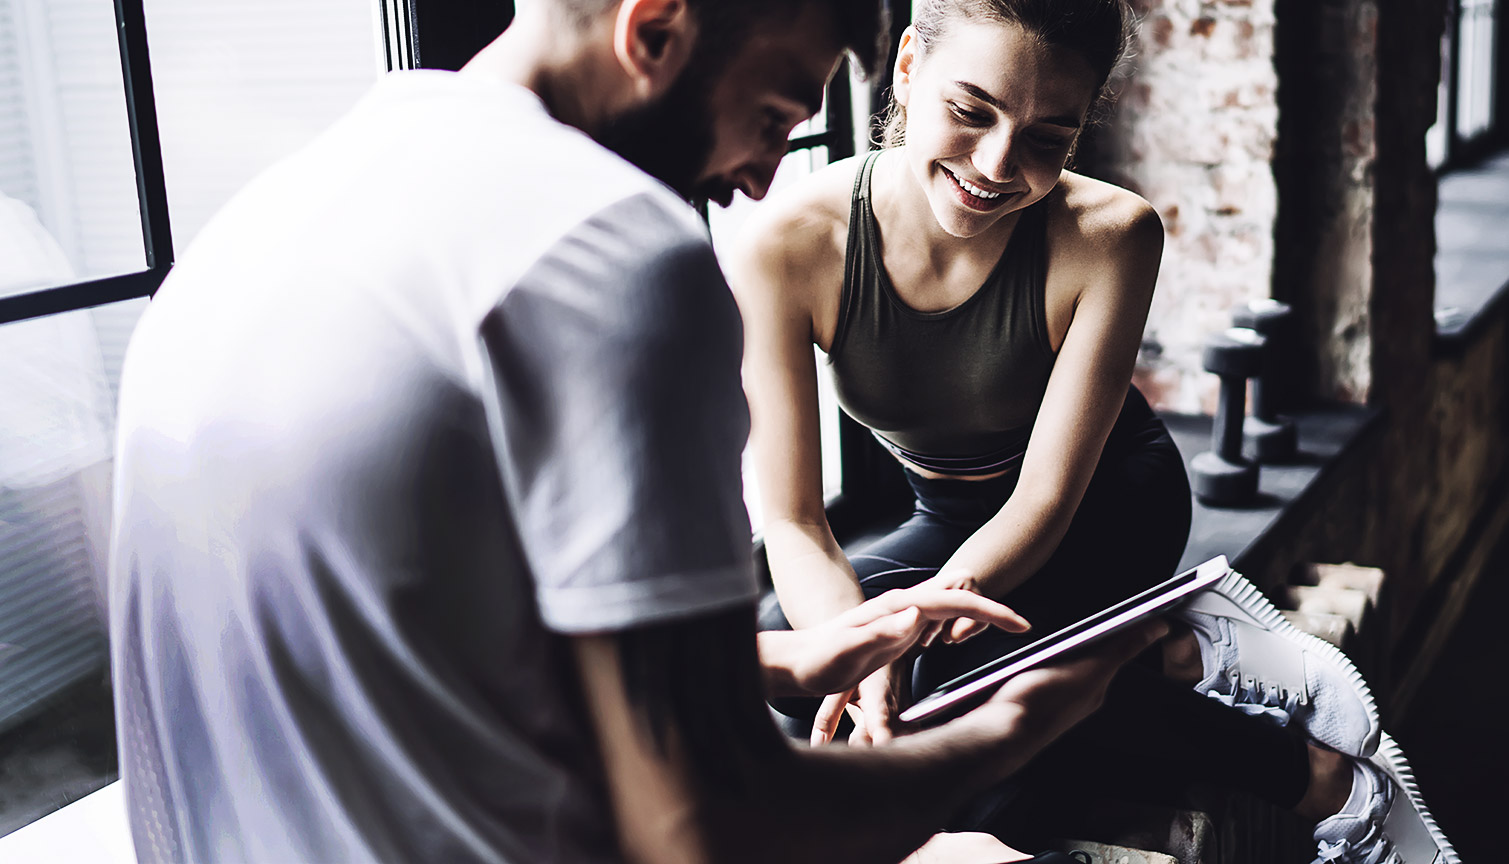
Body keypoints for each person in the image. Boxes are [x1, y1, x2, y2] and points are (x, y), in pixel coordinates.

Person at [106, 1, 1168, 862]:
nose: (761, 178)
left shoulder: (265, 217)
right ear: (654, 31)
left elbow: (433, 644)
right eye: (770, 116)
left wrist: (784, 666)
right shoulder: (611, 258)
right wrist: (1005, 734)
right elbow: (707, 829)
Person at [728, 1, 1459, 861]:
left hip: (1100, 504)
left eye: (1048, 136)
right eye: (971, 112)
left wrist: (908, 632)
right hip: (948, 513)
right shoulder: (786, 242)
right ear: (907, 68)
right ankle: (1166, 657)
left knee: (954, 673)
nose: (997, 166)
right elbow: (793, 520)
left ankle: (1313, 774)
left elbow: (1041, 500)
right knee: (793, 651)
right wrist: (858, 650)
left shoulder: (1111, 235)